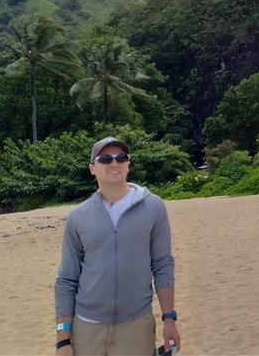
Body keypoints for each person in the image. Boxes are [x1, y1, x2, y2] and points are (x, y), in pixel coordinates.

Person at [54, 137, 182, 355]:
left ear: (128, 164)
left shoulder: (154, 207)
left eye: (121, 157)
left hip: (136, 325)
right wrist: (63, 341)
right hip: (87, 328)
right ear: (92, 168)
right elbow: (67, 279)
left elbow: (162, 264)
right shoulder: (77, 217)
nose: (114, 163)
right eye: (105, 158)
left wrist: (169, 318)